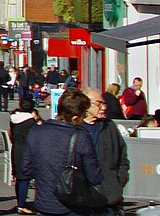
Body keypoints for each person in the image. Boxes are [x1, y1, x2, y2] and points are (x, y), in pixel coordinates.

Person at [22, 88, 103, 216]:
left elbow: (25, 169)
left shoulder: (35, 131)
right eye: (83, 116)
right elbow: (95, 176)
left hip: (43, 203)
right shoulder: (81, 136)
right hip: (72, 205)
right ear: (75, 117)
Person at [83, 89, 130, 216]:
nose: (103, 108)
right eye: (99, 104)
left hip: (108, 197)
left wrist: (118, 182)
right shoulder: (75, 127)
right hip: (81, 200)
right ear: (86, 105)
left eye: (104, 104)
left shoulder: (109, 126)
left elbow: (123, 157)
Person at [10, 97, 39, 215]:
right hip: (26, 150)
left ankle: (20, 203)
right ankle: (22, 205)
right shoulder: (31, 122)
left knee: (19, 177)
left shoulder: (14, 118)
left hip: (16, 148)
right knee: (25, 178)